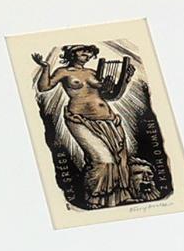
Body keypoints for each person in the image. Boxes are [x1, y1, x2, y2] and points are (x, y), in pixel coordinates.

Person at [32, 45, 137, 209]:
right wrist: (45, 67)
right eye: (83, 51)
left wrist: (125, 80)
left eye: (90, 53)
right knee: (102, 159)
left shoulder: (93, 72)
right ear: (72, 53)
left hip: (108, 120)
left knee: (119, 159)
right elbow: (43, 87)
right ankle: (94, 198)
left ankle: (119, 198)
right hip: (80, 120)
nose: (87, 55)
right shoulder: (63, 71)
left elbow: (112, 96)